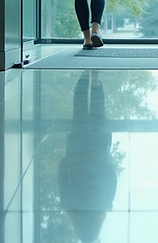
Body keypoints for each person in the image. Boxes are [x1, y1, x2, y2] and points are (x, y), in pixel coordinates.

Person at [58, 70, 117, 243]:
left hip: (98, 150)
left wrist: (105, 163)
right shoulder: (70, 205)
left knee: (99, 109)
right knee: (79, 107)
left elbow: (112, 178)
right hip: (77, 148)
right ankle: (85, 77)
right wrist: (67, 160)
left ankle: (95, 79)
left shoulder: (104, 205)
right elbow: (63, 178)